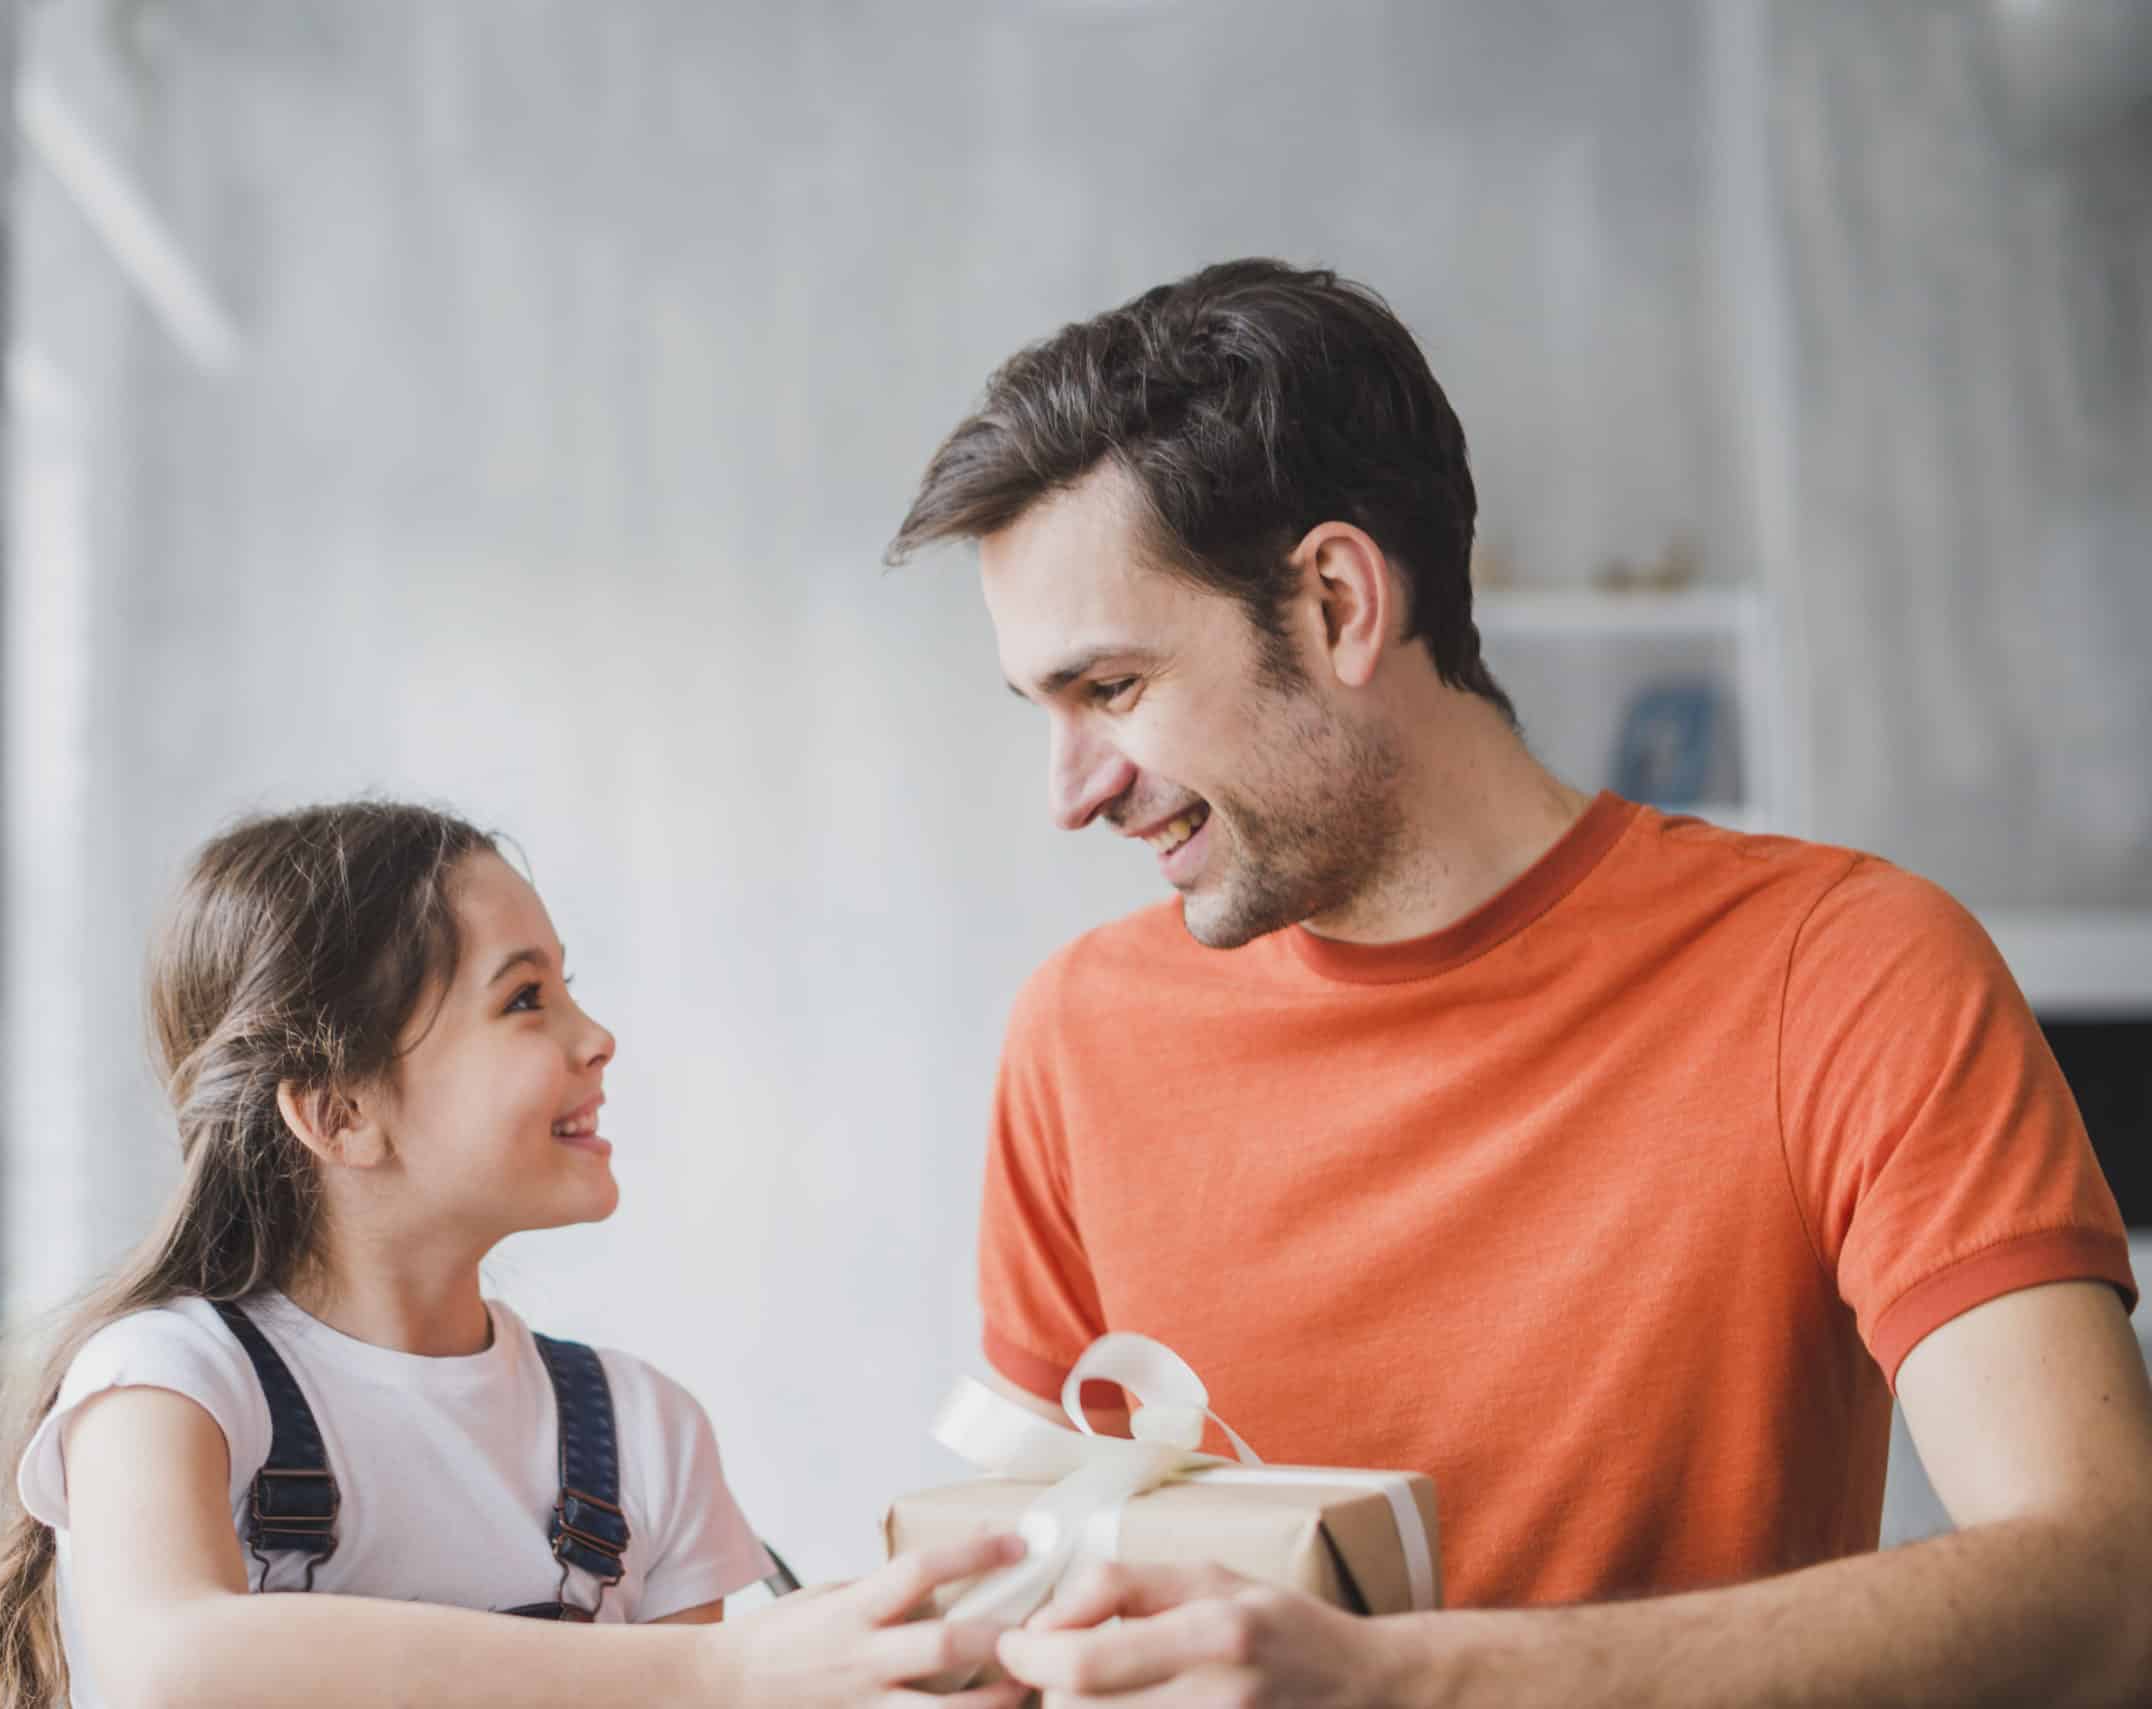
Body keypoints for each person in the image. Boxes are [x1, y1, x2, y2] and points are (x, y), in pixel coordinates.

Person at [885, 259, 2152, 1705]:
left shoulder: (1846, 971)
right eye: (1040, 709)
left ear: (1339, 602)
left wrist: (1406, 1681)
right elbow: (1057, 1580)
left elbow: (2106, 1591)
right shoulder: (1075, 1038)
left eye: (1110, 690)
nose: (1070, 793)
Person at [0, 800, 1023, 1709]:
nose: (596, 1034)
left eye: (566, 985)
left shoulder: (646, 1427)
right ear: (339, 1111)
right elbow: (173, 1661)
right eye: (524, 998)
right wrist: (713, 1667)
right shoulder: (168, 1380)